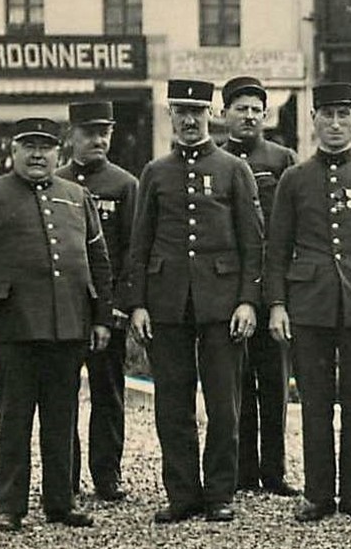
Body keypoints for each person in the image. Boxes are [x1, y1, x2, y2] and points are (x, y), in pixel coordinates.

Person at [0, 116, 115, 532]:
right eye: (29, 146)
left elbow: (98, 262)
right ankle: (10, 505)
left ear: (58, 153)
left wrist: (100, 319)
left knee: (62, 420)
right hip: (13, 331)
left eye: (46, 147)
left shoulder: (77, 197)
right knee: (14, 419)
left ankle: (61, 502)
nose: (38, 155)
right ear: (14, 152)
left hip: (67, 328)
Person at [127, 78, 265, 524]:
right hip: (168, 302)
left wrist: (247, 301)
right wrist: (139, 304)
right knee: (172, 400)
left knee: (224, 402)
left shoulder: (232, 170)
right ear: (170, 115)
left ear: (212, 116)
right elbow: (140, 243)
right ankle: (182, 493)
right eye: (181, 112)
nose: (190, 121)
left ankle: (220, 493)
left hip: (222, 304)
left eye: (198, 113)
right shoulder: (155, 172)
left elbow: (253, 243)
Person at [265, 83, 351, 523]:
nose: (336, 124)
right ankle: (318, 493)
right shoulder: (295, 178)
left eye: (345, 115)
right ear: (314, 120)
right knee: (316, 401)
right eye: (328, 115)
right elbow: (277, 248)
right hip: (309, 304)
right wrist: (278, 304)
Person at [219, 75, 301, 497]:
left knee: (273, 379)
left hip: (273, 285)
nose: (249, 116)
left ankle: (273, 471)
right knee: (232, 380)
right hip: (228, 286)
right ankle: (239, 470)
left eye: (256, 110)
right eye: (240, 109)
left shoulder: (283, 159)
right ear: (224, 114)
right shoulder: (214, 160)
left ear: (265, 116)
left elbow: (296, 223)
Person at [59, 100, 138, 503]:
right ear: (71, 136)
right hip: (67, 310)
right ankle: (65, 477)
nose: (99, 140)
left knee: (108, 392)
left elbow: (132, 252)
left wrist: (120, 306)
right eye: (89, 132)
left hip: (108, 309)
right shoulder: (56, 183)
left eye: (104, 131)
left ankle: (107, 475)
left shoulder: (125, 185)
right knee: (63, 393)